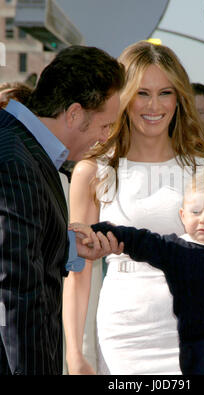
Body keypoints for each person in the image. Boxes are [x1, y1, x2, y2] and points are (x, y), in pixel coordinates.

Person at [63, 40, 204, 375]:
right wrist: (75, 354)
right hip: (125, 330)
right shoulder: (93, 171)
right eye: (142, 93)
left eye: (165, 93)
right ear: (123, 97)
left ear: (179, 98)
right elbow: (78, 273)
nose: (154, 105)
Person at [0, 45, 125, 375]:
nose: (105, 139)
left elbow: (22, 248)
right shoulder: (16, 159)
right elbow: (16, 288)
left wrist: (67, 245)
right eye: (105, 126)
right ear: (74, 114)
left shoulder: (23, 147)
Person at [70, 172, 204, 375]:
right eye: (196, 211)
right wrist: (97, 231)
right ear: (183, 215)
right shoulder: (176, 250)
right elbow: (138, 239)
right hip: (199, 342)